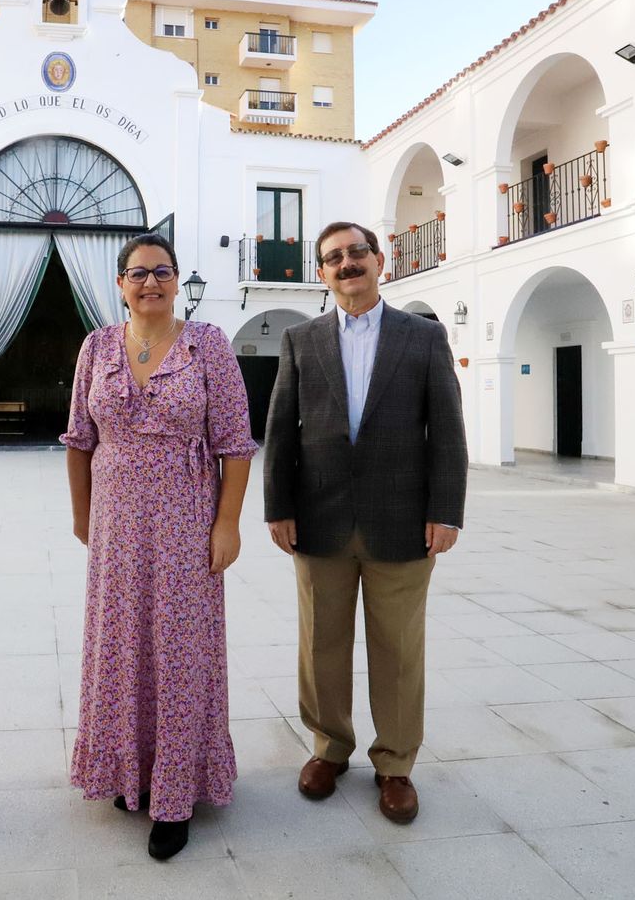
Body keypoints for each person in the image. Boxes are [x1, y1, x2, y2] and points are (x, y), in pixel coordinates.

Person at [262, 221, 467, 825]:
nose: (346, 264)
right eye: (333, 258)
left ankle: (396, 764)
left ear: (381, 260)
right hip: (319, 520)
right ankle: (329, 748)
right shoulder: (301, 340)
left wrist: (446, 511)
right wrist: (278, 507)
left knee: (398, 648)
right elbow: (279, 434)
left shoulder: (423, 337)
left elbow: (448, 432)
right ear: (321, 274)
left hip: (402, 520)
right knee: (321, 643)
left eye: (356, 253)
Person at [61, 233, 257, 861]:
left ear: (178, 281)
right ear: (119, 283)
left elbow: (234, 443)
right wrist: (82, 516)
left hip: (186, 521)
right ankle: (129, 770)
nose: (150, 282)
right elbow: (79, 440)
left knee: (179, 652)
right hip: (117, 525)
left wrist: (227, 525)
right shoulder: (95, 347)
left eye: (162, 271)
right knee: (122, 648)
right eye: (137, 273)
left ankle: (175, 793)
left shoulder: (210, 347)